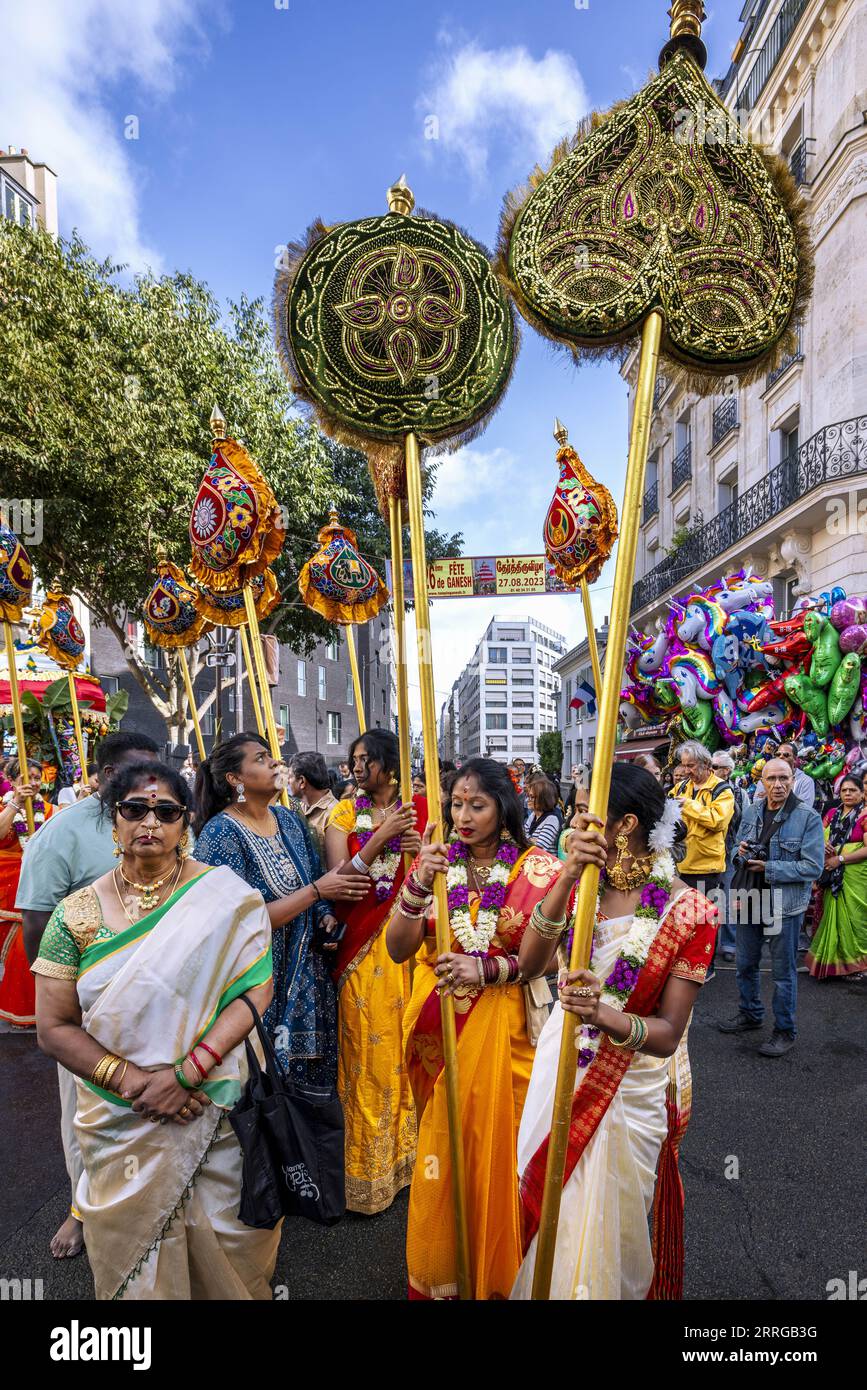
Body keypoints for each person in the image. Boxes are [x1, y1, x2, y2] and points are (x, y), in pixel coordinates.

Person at [33, 761, 278, 1299]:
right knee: (135, 1258)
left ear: (185, 822)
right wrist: (137, 1084)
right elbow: (52, 1027)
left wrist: (187, 1074)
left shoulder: (225, 897)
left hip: (210, 1102)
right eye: (135, 809)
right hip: (120, 1112)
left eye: (166, 811)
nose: (150, 822)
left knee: (224, 1239)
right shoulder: (75, 915)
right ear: (113, 820)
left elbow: (256, 991)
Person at [512, 763, 718, 1301]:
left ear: (624, 825)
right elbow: (530, 964)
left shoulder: (690, 912)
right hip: (561, 1060)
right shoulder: (580, 886)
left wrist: (601, 1014)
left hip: (631, 1085)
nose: (575, 822)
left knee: (611, 1225)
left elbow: (668, 1034)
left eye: (586, 811)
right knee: (554, 1211)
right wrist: (565, 877)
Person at [388, 757, 577, 1300]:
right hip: (441, 1028)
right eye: (456, 804)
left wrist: (487, 969)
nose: (464, 817)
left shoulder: (537, 870)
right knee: (446, 1151)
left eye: (478, 805)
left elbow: (548, 960)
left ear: (504, 807)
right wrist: (418, 880)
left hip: (510, 1030)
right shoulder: (437, 864)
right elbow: (399, 948)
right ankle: (448, 1272)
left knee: (504, 1156)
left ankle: (502, 1277)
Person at [17, 729, 161, 1259]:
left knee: (157, 1102)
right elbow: (37, 921)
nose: (151, 786)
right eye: (138, 772)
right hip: (89, 1003)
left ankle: (161, 1199)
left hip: (161, 996)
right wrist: (65, 1004)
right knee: (87, 1111)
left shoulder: (163, 824)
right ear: (106, 776)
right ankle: (82, 1209)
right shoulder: (63, 832)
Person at [193, 734, 368, 1084]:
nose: (275, 763)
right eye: (261, 759)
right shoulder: (220, 834)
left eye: (271, 756)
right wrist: (315, 893)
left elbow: (315, 875)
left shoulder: (288, 820)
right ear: (235, 779)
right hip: (258, 984)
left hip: (308, 979)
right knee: (266, 1090)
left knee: (313, 1092)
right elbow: (234, 923)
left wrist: (325, 915)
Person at [324, 730, 423, 1214]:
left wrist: (420, 849)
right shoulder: (344, 814)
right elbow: (339, 880)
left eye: (366, 759)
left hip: (413, 947)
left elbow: (447, 875)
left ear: (389, 763)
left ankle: (413, 1160)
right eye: (354, 759)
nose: (357, 768)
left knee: (412, 1048)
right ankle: (367, 1171)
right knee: (369, 1053)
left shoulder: (422, 809)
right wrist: (381, 839)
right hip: (362, 953)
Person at [719, 758, 825, 1056]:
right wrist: (738, 851)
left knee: (782, 972)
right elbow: (735, 848)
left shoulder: (807, 817)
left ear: (793, 780)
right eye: (772, 779)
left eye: (784, 778)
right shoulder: (752, 810)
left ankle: (784, 1030)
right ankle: (750, 1013)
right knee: (745, 964)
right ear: (762, 782)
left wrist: (769, 867)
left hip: (783, 905)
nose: (778, 785)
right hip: (750, 899)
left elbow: (813, 867)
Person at [0, 758, 55, 1027]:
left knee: (27, 948)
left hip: (40, 884)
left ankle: (35, 1010)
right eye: (27, 777)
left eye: (37, 777)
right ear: (11, 780)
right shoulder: (4, 806)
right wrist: (15, 804)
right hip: (7, 884)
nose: (33, 783)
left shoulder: (48, 809)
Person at [807, 775, 867, 979]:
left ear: (862, 793)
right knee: (830, 918)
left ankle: (856, 966)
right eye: (844, 790)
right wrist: (822, 845)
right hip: (830, 872)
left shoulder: (865, 815)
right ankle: (833, 964)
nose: (848, 793)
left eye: (853, 790)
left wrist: (840, 859)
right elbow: (817, 835)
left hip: (855, 876)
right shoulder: (833, 813)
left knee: (854, 919)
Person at [671, 742, 734, 926]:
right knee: (682, 923)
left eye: (690, 765)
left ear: (706, 764)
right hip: (680, 866)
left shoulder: (722, 790)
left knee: (705, 923)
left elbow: (718, 821)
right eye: (683, 765)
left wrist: (688, 805)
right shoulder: (681, 788)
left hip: (706, 870)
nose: (686, 770)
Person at [710, 749, 746, 964]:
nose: (710, 770)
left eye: (714, 767)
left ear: (727, 771)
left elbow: (745, 824)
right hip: (707, 852)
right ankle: (707, 945)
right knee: (708, 897)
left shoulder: (740, 793)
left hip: (730, 851)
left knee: (729, 898)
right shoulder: (705, 789)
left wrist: (739, 851)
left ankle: (729, 944)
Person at [285, 751, 338, 857]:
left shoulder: (334, 813)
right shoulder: (297, 807)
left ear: (302, 781)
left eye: (290, 777)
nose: (287, 781)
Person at [752, 741, 815, 809]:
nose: (781, 757)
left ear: (795, 759)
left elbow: (804, 809)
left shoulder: (806, 781)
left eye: (786, 755)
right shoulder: (766, 777)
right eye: (778, 754)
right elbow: (757, 803)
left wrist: (771, 797)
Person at [524, 774, 563, 853]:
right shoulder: (533, 815)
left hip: (545, 859)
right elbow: (522, 837)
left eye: (532, 797)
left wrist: (527, 839)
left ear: (543, 798)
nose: (528, 800)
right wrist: (531, 840)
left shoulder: (552, 819)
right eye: (528, 796)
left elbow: (539, 848)